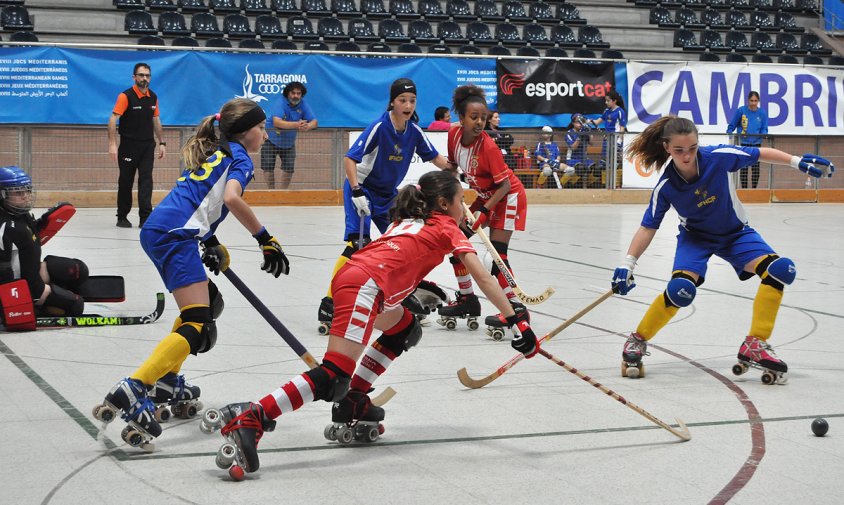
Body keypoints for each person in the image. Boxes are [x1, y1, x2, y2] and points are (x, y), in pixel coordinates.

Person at [210, 170, 540, 475]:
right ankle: (254, 416)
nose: (464, 207)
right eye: (461, 201)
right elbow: (481, 276)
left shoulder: (410, 218)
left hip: (361, 280)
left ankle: (354, 397)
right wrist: (516, 321)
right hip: (365, 287)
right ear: (443, 203)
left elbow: (401, 258)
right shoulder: (445, 225)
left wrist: (419, 284)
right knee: (333, 375)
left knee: (404, 327)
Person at [93, 98, 291, 447]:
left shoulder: (216, 152)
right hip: (175, 236)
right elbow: (231, 198)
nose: (265, 133)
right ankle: (135, 386)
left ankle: (168, 380)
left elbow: (198, 199)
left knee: (206, 308)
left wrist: (210, 240)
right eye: (262, 128)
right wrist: (265, 238)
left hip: (163, 230)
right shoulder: (240, 159)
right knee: (198, 323)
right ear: (246, 132)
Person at [612, 115, 834, 383]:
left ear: (698, 143)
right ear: (666, 147)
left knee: (780, 270)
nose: (687, 156)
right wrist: (628, 264)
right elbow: (648, 226)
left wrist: (797, 162)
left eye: (692, 148)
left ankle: (755, 343)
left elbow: (760, 152)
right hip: (696, 238)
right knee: (680, 291)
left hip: (735, 234)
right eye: (679, 150)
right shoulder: (667, 186)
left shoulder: (718, 156)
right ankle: (637, 339)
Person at [316, 78, 455, 333]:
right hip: (363, 190)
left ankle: (401, 296)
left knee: (403, 240)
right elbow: (349, 159)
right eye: (402, 100)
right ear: (393, 102)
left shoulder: (414, 131)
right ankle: (329, 302)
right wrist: (357, 190)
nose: (408, 105)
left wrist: (457, 170)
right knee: (358, 244)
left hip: (388, 195)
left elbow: (436, 158)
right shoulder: (380, 127)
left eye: (412, 101)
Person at [437, 84, 529, 329]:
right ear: (461, 117)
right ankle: (467, 299)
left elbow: (506, 186)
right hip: (486, 195)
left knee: (496, 256)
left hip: (508, 197)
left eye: (483, 118)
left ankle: (516, 309)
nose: (480, 122)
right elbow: (453, 168)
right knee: (456, 242)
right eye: (474, 117)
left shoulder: (488, 146)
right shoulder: (453, 135)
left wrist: (485, 210)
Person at [0, 166, 88, 321]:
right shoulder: (4, 227)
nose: (25, 196)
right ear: (2, 195)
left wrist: (44, 222)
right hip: (22, 285)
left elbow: (28, 243)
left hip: (30, 270)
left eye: (27, 190)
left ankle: (54, 293)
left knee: (79, 270)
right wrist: (30, 298)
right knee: (76, 305)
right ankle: (39, 307)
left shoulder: (20, 213)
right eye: (18, 192)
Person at [108, 62, 166, 229]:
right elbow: (112, 119)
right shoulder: (125, 97)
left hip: (147, 146)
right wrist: (112, 144)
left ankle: (145, 218)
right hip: (128, 146)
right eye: (141, 75)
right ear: (134, 77)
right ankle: (122, 217)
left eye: (147, 75)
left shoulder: (153, 97)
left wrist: (162, 142)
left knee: (146, 181)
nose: (144, 78)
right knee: (126, 181)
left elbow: (156, 119)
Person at [261, 81, 317, 189]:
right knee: (268, 167)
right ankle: (271, 192)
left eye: (298, 93)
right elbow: (277, 122)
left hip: (288, 143)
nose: (296, 96)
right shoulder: (280, 102)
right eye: (293, 93)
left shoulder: (303, 104)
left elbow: (315, 122)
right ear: (288, 93)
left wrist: (307, 126)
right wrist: (297, 124)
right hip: (270, 139)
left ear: (301, 95)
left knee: (289, 168)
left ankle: (282, 193)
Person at [726, 91, 768, 189]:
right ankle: (744, 190)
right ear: (748, 100)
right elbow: (732, 124)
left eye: (755, 101)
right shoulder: (741, 110)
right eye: (751, 100)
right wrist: (730, 131)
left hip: (756, 144)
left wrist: (764, 134)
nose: (753, 103)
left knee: (755, 168)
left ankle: (754, 190)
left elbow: (764, 127)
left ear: (758, 101)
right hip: (743, 143)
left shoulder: (762, 113)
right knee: (744, 168)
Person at [587, 90, 626, 188]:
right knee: (604, 163)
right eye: (605, 100)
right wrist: (588, 121)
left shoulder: (620, 112)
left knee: (615, 164)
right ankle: (606, 185)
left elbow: (622, 128)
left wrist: (619, 142)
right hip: (606, 140)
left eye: (608, 101)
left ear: (614, 101)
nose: (606, 102)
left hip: (615, 141)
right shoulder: (606, 111)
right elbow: (597, 122)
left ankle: (616, 185)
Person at [563, 113, 595, 188]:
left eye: (582, 121)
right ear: (573, 123)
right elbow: (573, 147)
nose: (580, 124)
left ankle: (590, 186)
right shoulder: (569, 133)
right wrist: (580, 135)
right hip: (572, 159)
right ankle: (568, 183)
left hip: (584, 158)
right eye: (577, 122)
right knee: (581, 168)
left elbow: (592, 143)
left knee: (595, 168)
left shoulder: (584, 130)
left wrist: (589, 132)